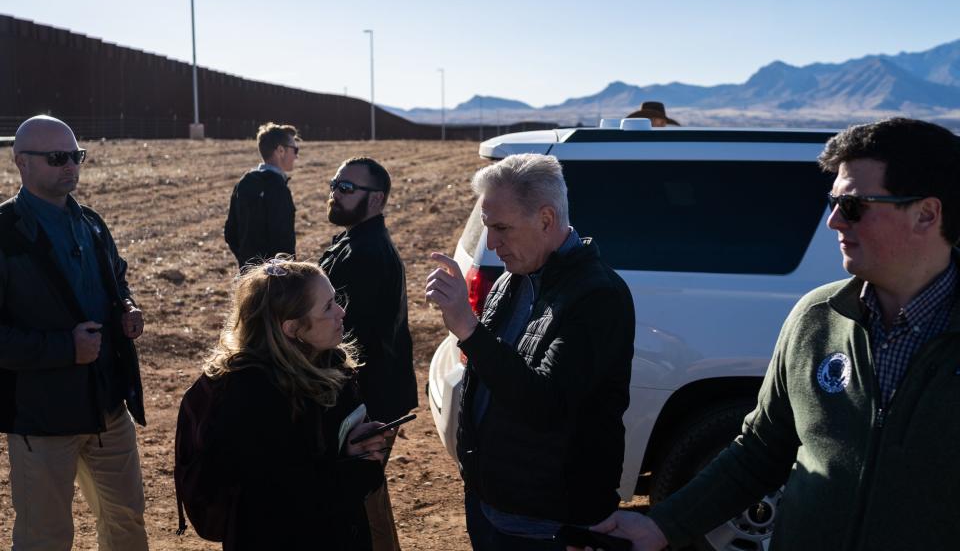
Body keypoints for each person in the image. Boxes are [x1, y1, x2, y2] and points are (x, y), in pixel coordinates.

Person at [568, 118, 960, 551]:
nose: (833, 222)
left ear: (926, 213)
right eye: (831, 202)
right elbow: (760, 451)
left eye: (853, 206)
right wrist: (661, 526)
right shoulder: (816, 317)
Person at [425, 153, 635, 550]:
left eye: (502, 228)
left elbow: (546, 404)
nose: (492, 243)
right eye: (488, 227)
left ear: (545, 219)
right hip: (492, 506)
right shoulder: (514, 278)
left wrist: (467, 328)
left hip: (548, 525)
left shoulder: (598, 296)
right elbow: (490, 376)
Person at [0, 115, 148, 550]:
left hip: (107, 408)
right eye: (57, 158)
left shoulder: (91, 223)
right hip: (41, 418)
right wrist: (66, 348)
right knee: (44, 537)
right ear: (20, 163)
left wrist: (127, 307)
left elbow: (116, 280)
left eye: (75, 156)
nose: (70, 166)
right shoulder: (5, 232)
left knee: (127, 520)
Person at [193, 259, 391, 550]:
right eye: (327, 306)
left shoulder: (331, 363)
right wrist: (359, 467)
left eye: (335, 300)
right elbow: (291, 496)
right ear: (292, 328)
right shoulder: (250, 394)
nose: (341, 312)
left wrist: (354, 445)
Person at [320, 157, 417, 551]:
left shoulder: (367, 254)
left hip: (368, 403)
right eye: (334, 184)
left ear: (376, 199)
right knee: (361, 497)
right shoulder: (352, 241)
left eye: (346, 188)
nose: (334, 194)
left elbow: (345, 339)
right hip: (364, 398)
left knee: (362, 499)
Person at [224, 122, 300, 268]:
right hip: (274, 279)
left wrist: (246, 261)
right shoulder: (278, 187)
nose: (296, 156)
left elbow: (230, 232)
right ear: (280, 151)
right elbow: (283, 240)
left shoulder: (244, 182)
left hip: (248, 276)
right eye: (295, 150)